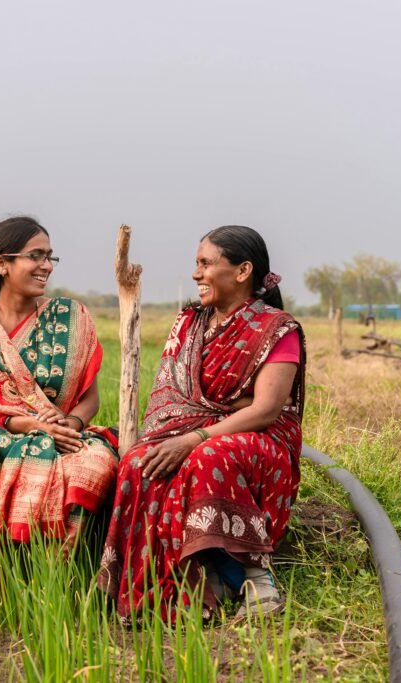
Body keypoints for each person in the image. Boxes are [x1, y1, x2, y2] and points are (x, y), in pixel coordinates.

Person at [97, 225, 304, 622]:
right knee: (139, 462)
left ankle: (255, 579)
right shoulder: (188, 324)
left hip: (258, 441)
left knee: (209, 455)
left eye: (206, 263)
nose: (196, 274)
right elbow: (172, 398)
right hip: (200, 431)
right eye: (196, 263)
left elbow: (264, 410)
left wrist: (196, 434)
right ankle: (173, 582)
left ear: (243, 271)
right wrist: (217, 415)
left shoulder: (276, 328)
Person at [0, 216, 119, 602]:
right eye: (36, 256)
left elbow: (90, 399)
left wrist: (68, 423)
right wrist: (34, 425)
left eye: (50, 257)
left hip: (66, 432)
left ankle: (46, 576)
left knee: (95, 462)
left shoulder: (71, 318)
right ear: (2, 264)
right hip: (3, 431)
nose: (46, 266)